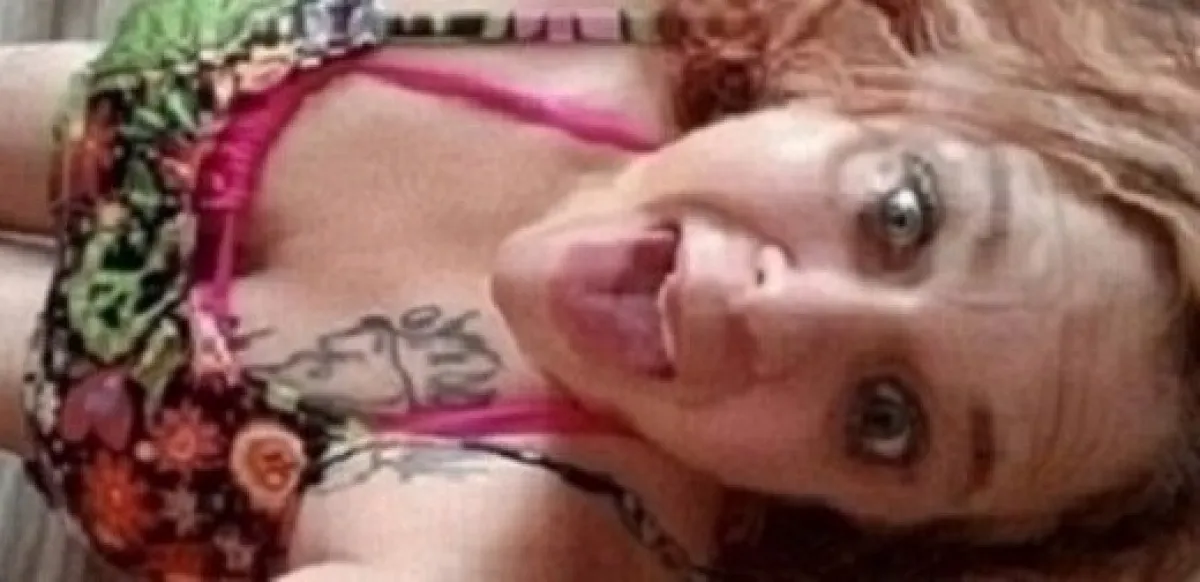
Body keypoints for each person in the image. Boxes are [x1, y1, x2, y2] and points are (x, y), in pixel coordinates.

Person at [1, 0, 1200, 580]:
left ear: (862, 519)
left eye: (885, 419)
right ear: (887, 96)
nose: (783, 310)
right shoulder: (643, 28)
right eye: (903, 215)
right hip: (129, 108)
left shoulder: (553, 528)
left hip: (96, 390)